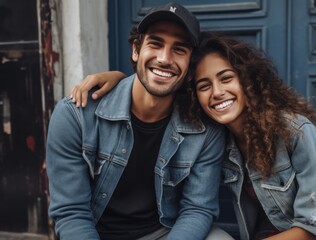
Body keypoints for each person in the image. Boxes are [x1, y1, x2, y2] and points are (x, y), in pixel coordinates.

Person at [72, 33, 316, 240]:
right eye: (203, 85)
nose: (217, 93)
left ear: (247, 81)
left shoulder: (295, 131)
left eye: (226, 78)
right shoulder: (215, 138)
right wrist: (120, 79)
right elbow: (157, 88)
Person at [46, 3, 234, 240]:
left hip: (162, 233)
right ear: (136, 50)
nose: (165, 59)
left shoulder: (204, 129)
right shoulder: (75, 116)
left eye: (179, 49)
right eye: (155, 43)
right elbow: (71, 212)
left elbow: (198, 209)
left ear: (190, 65)